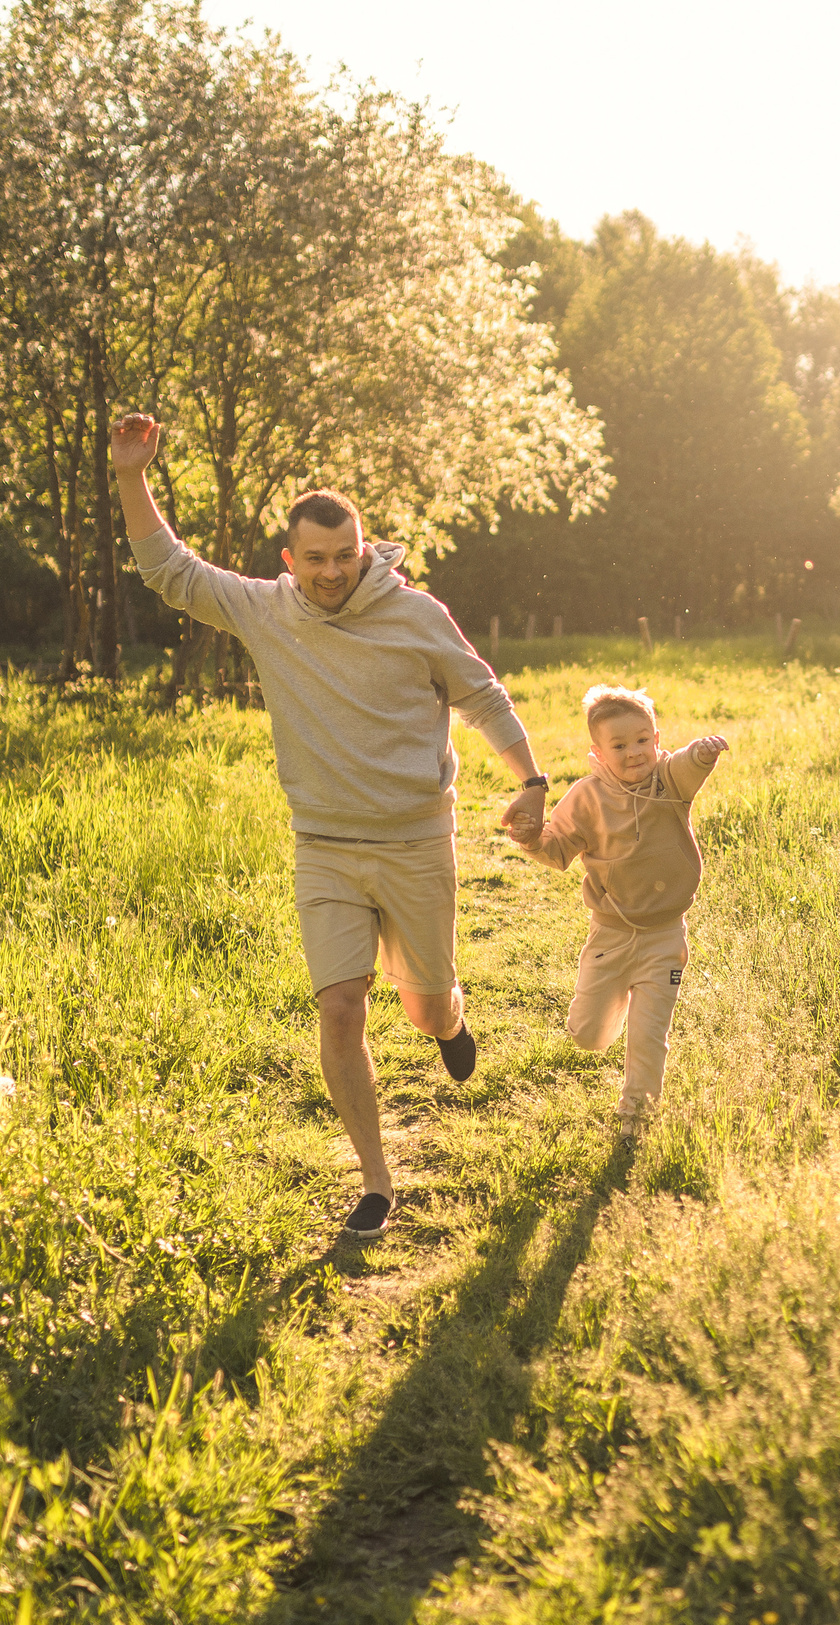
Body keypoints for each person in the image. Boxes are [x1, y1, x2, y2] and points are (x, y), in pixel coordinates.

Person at [109, 412, 551, 1237]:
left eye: (345, 555)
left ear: (364, 546)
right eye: (314, 559)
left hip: (418, 841)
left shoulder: (417, 614)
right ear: (290, 561)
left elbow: (483, 694)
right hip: (326, 848)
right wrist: (134, 476)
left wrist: (530, 778)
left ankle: (449, 1017)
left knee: (424, 1007)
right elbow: (168, 570)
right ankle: (377, 1184)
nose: (331, 571)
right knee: (342, 1006)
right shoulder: (266, 611)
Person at [509, 684, 727, 1136]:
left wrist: (702, 753)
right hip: (610, 934)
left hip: (665, 935)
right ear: (599, 753)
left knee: (650, 1037)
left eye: (643, 740)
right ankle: (612, 1008)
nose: (635, 753)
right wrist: (530, 837)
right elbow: (556, 847)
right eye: (620, 745)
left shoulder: (668, 781)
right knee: (587, 1035)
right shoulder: (587, 798)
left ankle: (636, 1118)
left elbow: (686, 765)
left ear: (656, 738)